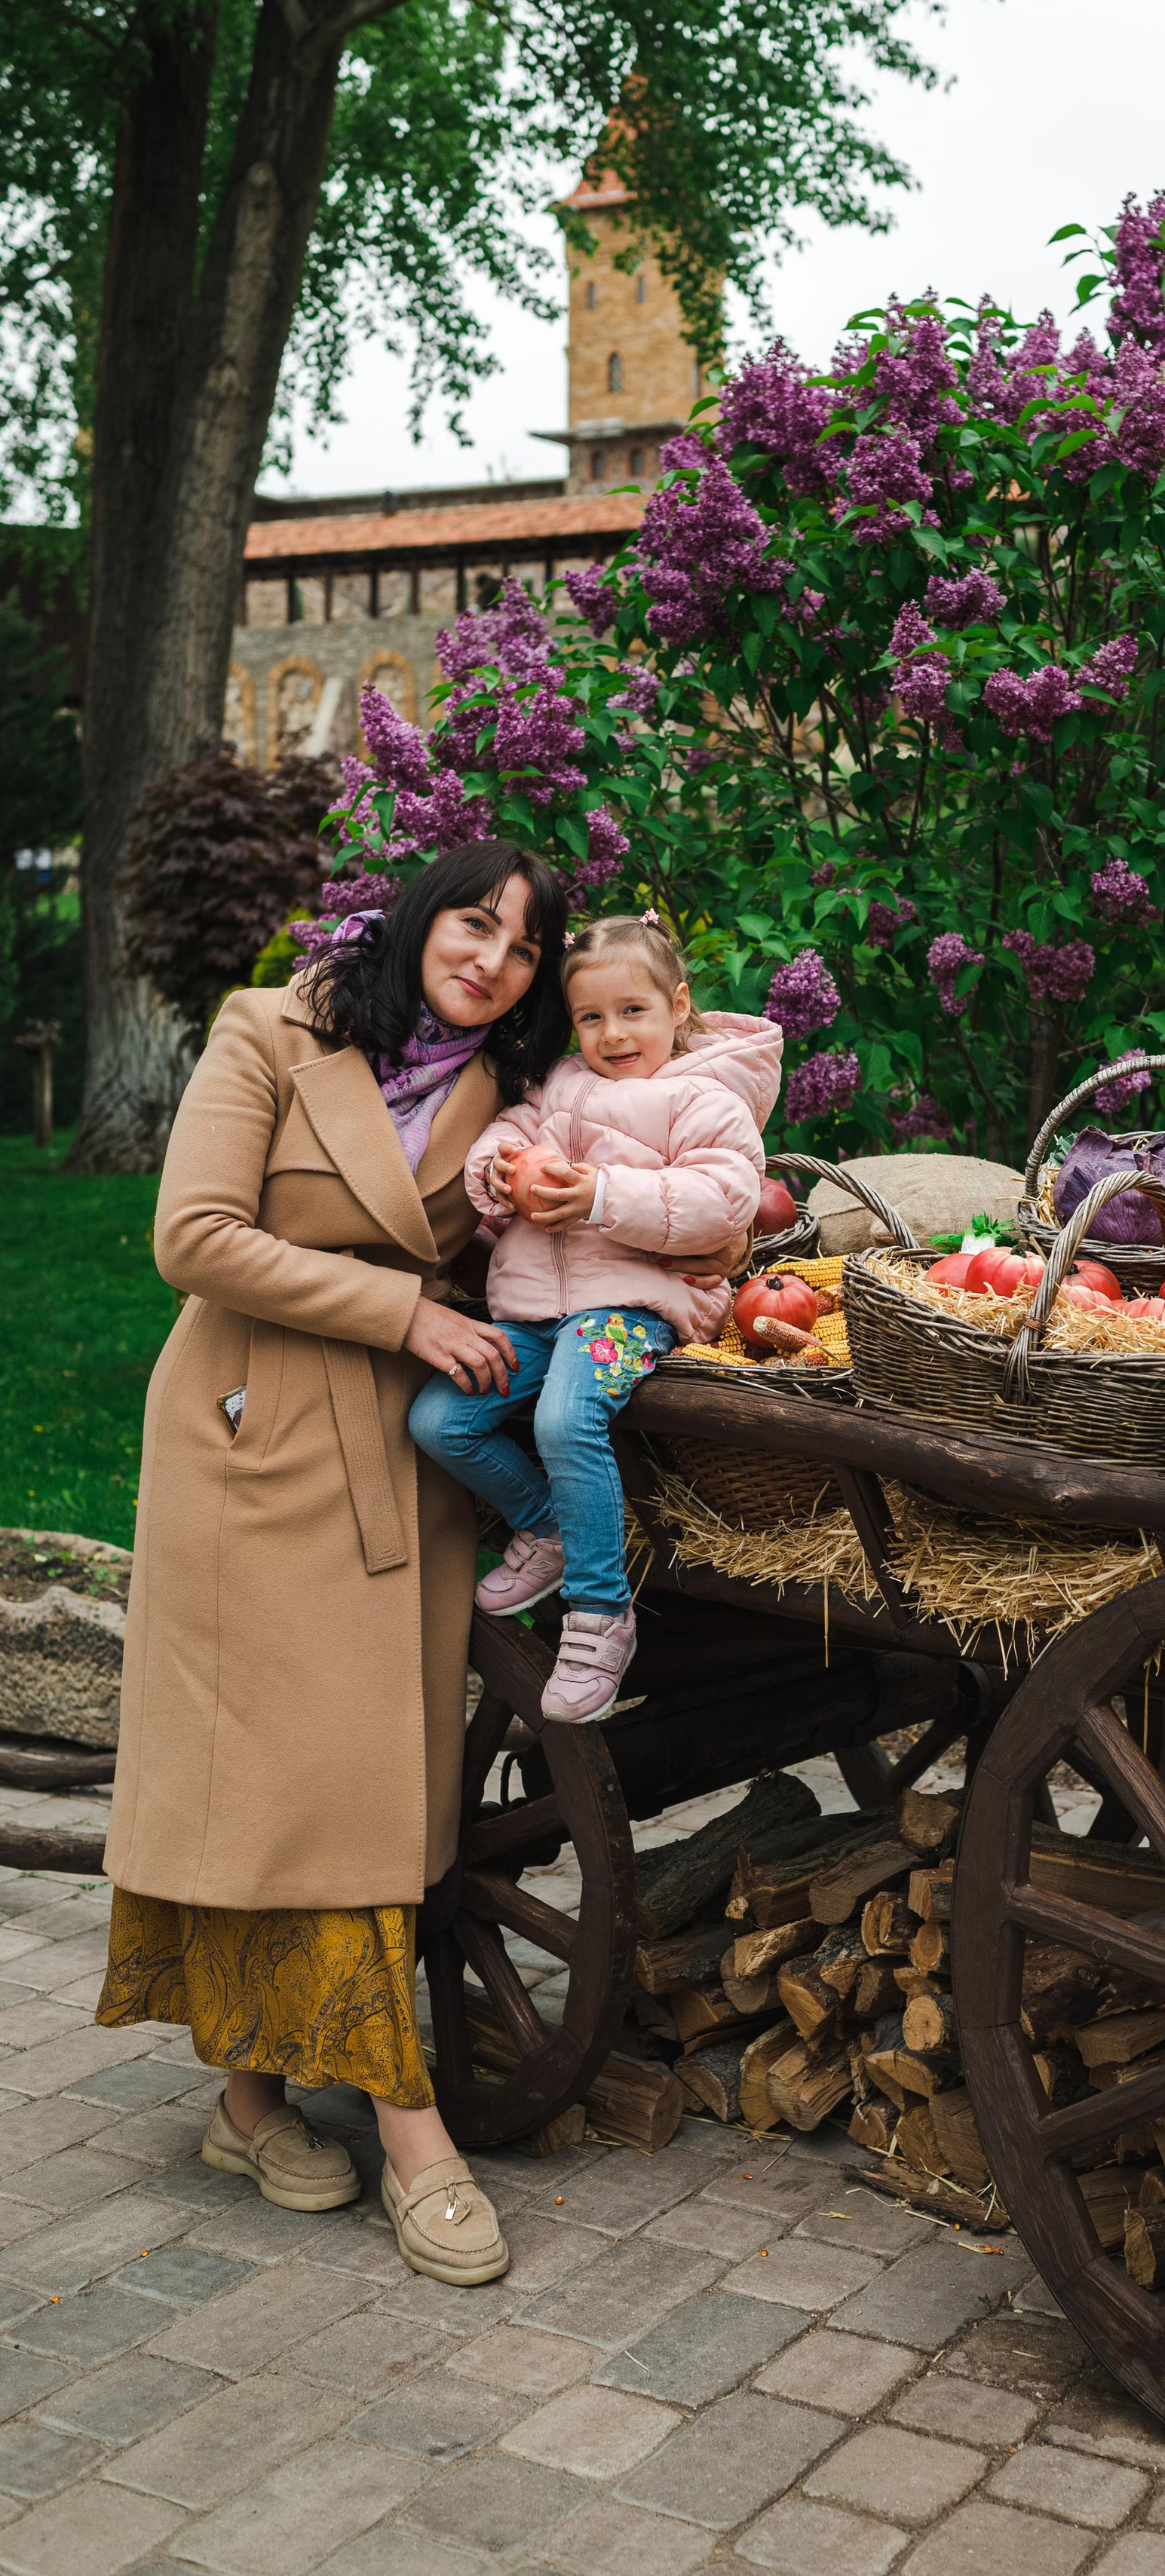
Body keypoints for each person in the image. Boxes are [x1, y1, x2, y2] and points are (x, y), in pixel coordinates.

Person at [95, 843, 572, 2288]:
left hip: (394, 1464)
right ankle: (406, 2126)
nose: (493, 957)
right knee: (267, 1778)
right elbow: (195, 1237)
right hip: (249, 1443)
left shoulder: (510, 1103)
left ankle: (250, 2102)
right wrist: (401, 1310)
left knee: (358, 1786)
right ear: (425, 917)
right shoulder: (272, 1028)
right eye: (474, 922)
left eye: (526, 946)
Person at [409, 910, 780, 1725]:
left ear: (678, 1006)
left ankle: (601, 1616)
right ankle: (544, 1528)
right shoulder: (559, 1088)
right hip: (538, 1309)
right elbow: (507, 1133)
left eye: (633, 1011)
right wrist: (501, 1171)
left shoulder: (705, 1101)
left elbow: (723, 1201)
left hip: (630, 1307)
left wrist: (604, 1195)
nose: (612, 1034)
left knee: (567, 1415)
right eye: (591, 1017)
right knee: (441, 1418)